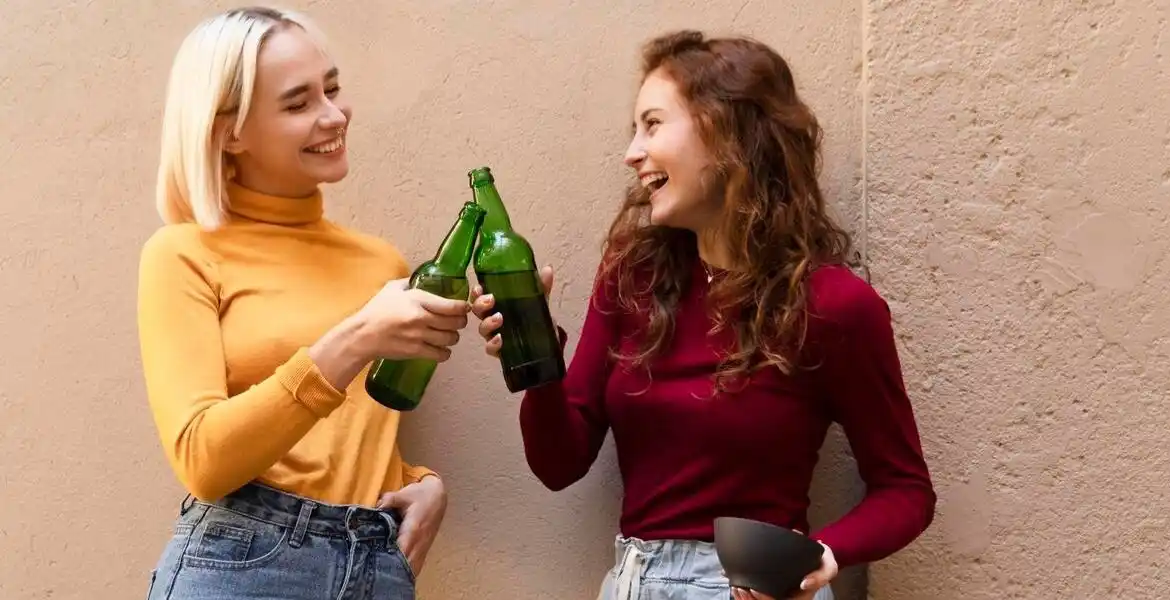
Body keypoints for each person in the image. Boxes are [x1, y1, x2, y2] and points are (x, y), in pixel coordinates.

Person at [471, 30, 937, 600]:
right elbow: (558, 464)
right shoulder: (630, 277)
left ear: (725, 132)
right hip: (631, 582)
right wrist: (536, 353)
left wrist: (818, 556)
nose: (631, 152)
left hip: (754, 589)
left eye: (653, 124)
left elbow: (906, 489)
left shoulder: (835, 306)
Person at [137, 7, 470, 599]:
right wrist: (355, 339)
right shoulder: (183, 255)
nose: (333, 115)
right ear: (227, 131)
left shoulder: (382, 266)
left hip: (373, 562)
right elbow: (202, 459)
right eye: (298, 104)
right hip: (242, 563)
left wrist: (420, 483)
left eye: (333, 89)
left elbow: (350, 441)